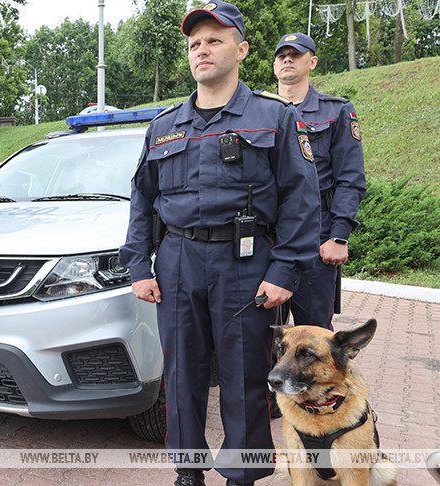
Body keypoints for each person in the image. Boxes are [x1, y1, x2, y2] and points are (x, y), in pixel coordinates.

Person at [118, 2, 321, 485]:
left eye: (215, 40)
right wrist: (138, 266)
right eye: (194, 43)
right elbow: (142, 199)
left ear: (242, 49)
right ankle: (188, 472)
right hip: (177, 261)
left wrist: (284, 271)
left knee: (246, 377)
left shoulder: (274, 117)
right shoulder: (163, 126)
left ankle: (241, 475)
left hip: (246, 264)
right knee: (181, 377)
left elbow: (301, 199)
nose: (202, 50)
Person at [273, 33, 366, 330]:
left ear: (312, 62)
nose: (287, 59)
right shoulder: (258, 111)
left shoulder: (336, 111)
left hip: (316, 236)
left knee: (314, 335)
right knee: (258, 332)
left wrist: (339, 236)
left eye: (295, 54)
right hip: (267, 235)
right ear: (274, 65)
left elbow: (350, 179)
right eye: (281, 55)